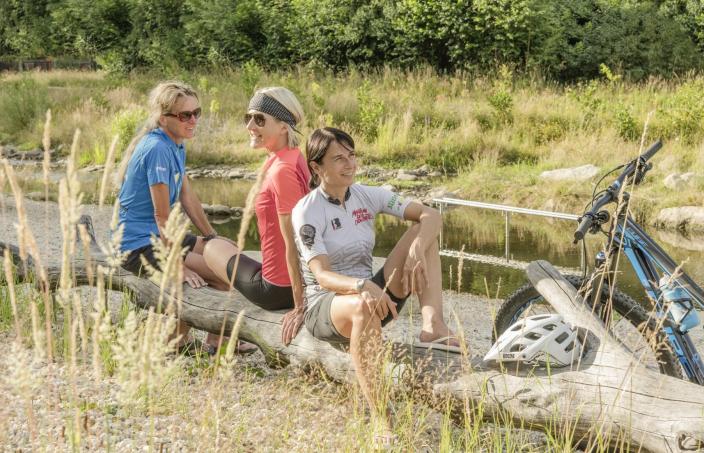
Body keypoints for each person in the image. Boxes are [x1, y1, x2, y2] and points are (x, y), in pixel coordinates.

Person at [290, 127, 460, 443]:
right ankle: (382, 419)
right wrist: (360, 286)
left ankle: (432, 325)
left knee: (425, 237)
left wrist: (415, 249)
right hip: (328, 305)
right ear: (316, 167)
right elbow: (322, 275)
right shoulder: (307, 210)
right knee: (362, 303)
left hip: (373, 294)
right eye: (338, 158)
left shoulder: (368, 194)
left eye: (351, 155)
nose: (349, 163)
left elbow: (432, 215)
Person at [117, 80, 253, 353]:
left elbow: (187, 197)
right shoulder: (156, 149)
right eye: (185, 115)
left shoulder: (175, 144)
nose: (193, 120)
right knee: (221, 275)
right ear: (162, 117)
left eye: (196, 113)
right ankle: (176, 341)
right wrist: (177, 267)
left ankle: (209, 340)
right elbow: (161, 215)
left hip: (160, 237)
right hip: (138, 246)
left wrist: (211, 238)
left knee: (228, 257)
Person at [203, 87, 310, 346]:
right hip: (284, 281)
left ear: (284, 126)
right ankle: (215, 339)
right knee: (225, 247)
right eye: (248, 117)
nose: (250, 125)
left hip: (275, 289)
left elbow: (294, 240)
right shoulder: (289, 157)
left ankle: (212, 333)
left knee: (210, 247)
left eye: (260, 119)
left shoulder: (281, 170)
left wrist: (300, 306)